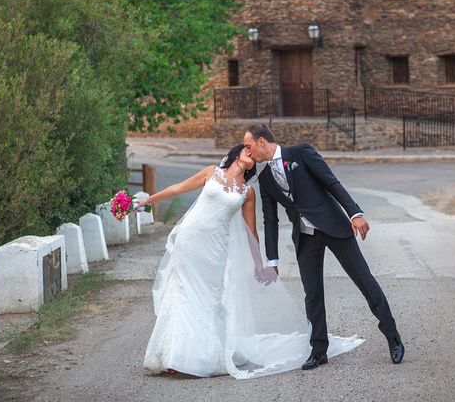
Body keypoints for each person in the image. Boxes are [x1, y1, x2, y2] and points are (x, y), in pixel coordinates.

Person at [138, 144, 363, 379]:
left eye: (254, 156)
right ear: (235, 154)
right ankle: (176, 355)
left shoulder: (247, 192)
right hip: (189, 239)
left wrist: (260, 263)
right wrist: (147, 202)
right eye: (247, 151)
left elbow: (251, 231)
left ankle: (201, 354)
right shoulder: (210, 172)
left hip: (215, 248)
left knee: (208, 297)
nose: (251, 156)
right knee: (183, 292)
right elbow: (178, 188)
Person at [243, 125, 404, 370]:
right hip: (306, 237)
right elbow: (270, 221)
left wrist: (355, 214)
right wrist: (272, 260)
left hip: (334, 227)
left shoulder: (301, 153)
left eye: (248, 145)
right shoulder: (264, 179)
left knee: (365, 281)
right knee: (313, 295)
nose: (247, 150)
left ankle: (393, 337)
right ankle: (319, 351)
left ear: (262, 141)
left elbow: (331, 183)